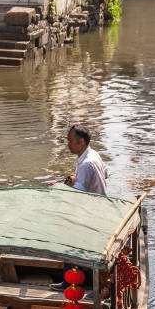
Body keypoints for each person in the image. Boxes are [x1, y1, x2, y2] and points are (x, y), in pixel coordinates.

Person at [50, 124, 108, 291]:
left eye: (70, 140)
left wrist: (62, 189)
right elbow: (105, 173)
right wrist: (76, 179)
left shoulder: (85, 164)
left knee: (69, 240)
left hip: (89, 211)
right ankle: (82, 277)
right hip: (100, 207)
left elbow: (79, 194)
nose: (68, 144)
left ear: (81, 142)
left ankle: (70, 282)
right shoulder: (93, 155)